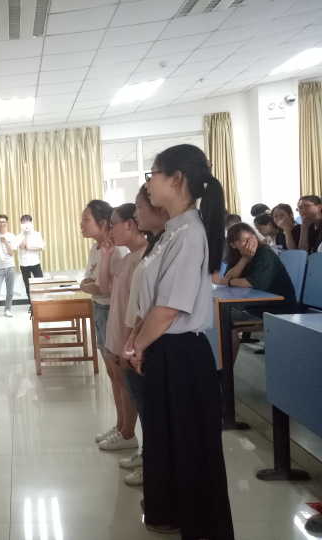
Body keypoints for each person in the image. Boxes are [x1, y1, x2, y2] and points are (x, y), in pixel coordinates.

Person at [124, 144, 233, 538]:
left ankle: (200, 527)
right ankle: (170, 513)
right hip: (164, 350)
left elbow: (169, 308)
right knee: (166, 440)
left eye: (153, 173)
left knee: (189, 446)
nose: (149, 183)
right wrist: (138, 340)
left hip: (182, 355)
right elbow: (152, 300)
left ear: (177, 179)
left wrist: (137, 345)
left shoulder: (190, 234)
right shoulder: (173, 232)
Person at [118, 186, 170, 488]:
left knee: (153, 411)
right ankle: (150, 459)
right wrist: (132, 338)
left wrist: (136, 342)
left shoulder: (177, 241)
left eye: (140, 208)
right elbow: (139, 304)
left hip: (155, 340)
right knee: (144, 402)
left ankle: (154, 464)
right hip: (140, 337)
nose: (136, 215)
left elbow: (165, 306)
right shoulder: (156, 245)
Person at [96, 203, 147, 456]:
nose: (110, 230)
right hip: (119, 333)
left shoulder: (145, 258)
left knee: (136, 391)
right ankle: (125, 430)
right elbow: (104, 286)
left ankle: (133, 438)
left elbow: (140, 309)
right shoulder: (128, 258)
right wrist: (106, 254)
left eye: (113, 224)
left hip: (131, 337)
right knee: (124, 384)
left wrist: (130, 341)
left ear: (130, 224)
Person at [79, 200, 128, 447]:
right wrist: (91, 285)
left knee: (120, 375)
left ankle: (127, 432)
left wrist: (91, 286)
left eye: (86, 220)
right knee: (112, 373)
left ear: (103, 222)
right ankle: (120, 425)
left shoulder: (117, 250)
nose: (81, 224)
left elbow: (103, 287)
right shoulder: (96, 249)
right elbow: (87, 281)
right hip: (99, 309)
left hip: (112, 312)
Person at [214, 222, 298, 358]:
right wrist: (244, 259)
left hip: (278, 306)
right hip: (257, 305)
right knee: (218, 317)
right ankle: (221, 366)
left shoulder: (265, 253)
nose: (250, 243)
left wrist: (229, 282)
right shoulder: (238, 256)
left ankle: (225, 370)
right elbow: (229, 277)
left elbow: (250, 283)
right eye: (244, 241)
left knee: (225, 324)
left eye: (251, 238)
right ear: (233, 245)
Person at [16, 214, 45, 309]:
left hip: (35, 262)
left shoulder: (37, 234)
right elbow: (21, 246)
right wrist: (24, 234)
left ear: (31, 222)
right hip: (24, 264)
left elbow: (41, 247)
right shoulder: (19, 236)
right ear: (21, 224)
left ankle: (40, 303)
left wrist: (29, 247)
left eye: (27, 221)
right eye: (23, 222)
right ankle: (32, 305)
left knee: (40, 283)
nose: (25, 224)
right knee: (28, 286)